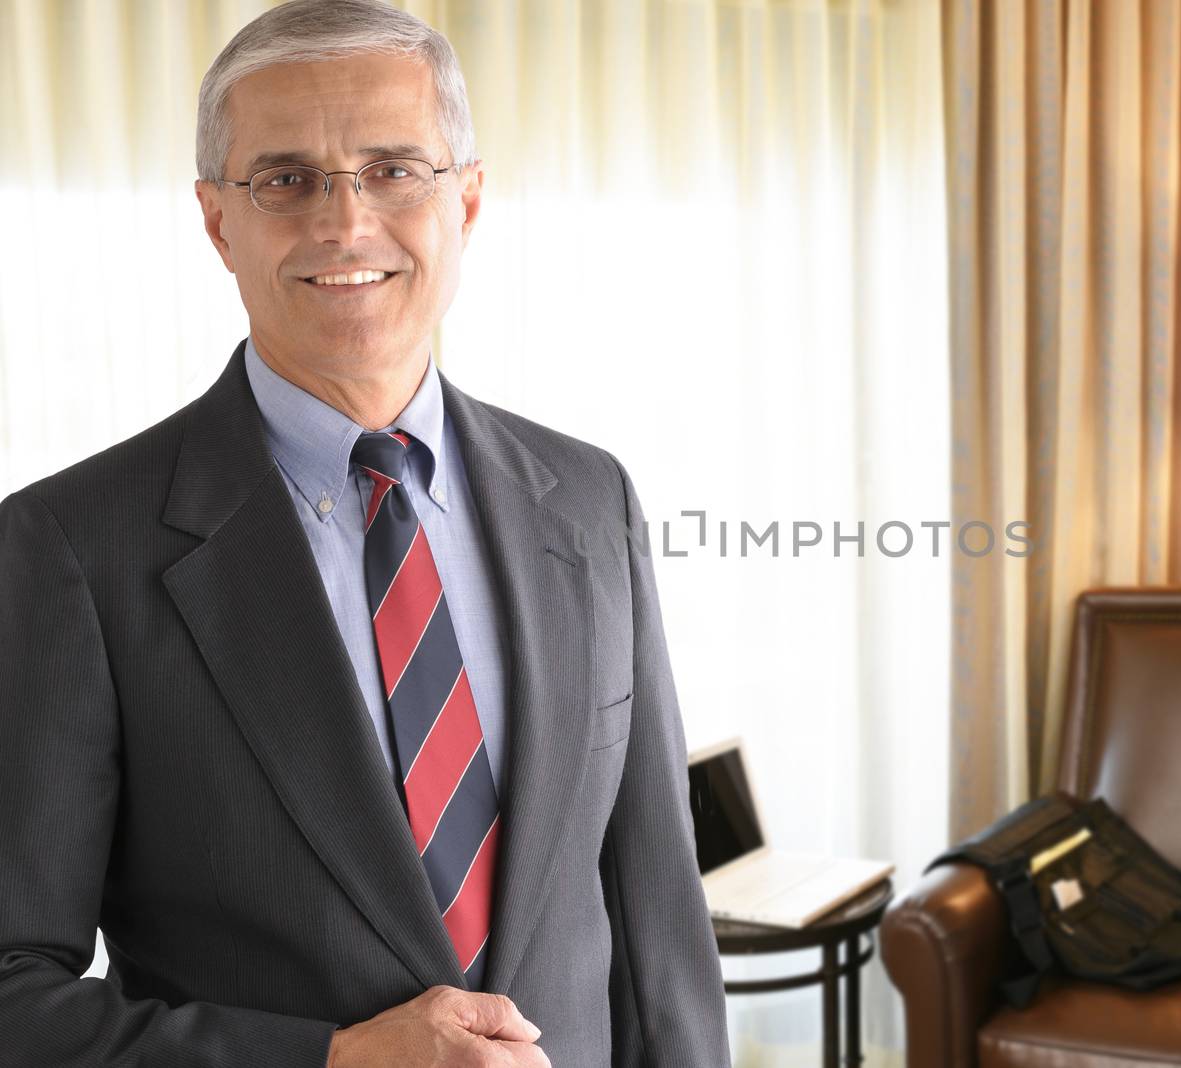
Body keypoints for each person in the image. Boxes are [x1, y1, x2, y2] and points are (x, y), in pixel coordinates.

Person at [0, 2, 732, 1065]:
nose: (345, 224)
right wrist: (331, 1060)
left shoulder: (589, 499)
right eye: (287, 180)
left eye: (394, 169)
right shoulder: (68, 549)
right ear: (217, 223)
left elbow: (661, 933)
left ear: (467, 201)